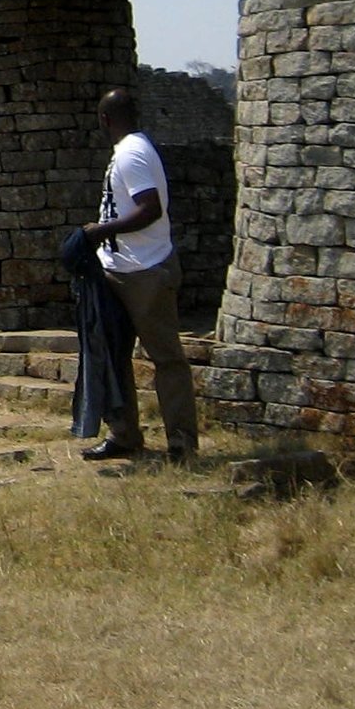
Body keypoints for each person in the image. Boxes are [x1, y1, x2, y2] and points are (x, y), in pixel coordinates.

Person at [77, 88, 200, 464]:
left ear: (104, 120)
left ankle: (181, 443)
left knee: (166, 358)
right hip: (118, 269)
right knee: (113, 357)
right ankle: (125, 435)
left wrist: (101, 230)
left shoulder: (132, 154)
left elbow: (150, 209)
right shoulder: (130, 151)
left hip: (146, 271)